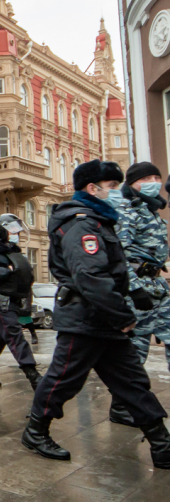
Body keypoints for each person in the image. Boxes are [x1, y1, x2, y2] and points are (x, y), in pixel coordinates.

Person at [22, 160, 169, 469]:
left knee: (132, 381)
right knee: (63, 380)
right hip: (84, 319)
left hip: (104, 318)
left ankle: (161, 442)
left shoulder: (99, 220)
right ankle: (36, 431)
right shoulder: (80, 223)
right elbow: (91, 277)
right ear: (93, 188)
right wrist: (124, 316)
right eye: (113, 187)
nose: (117, 193)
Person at [112, 162, 170, 424]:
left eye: (156, 177)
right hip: (139, 291)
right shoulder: (127, 211)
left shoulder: (152, 210)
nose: (153, 181)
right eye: (145, 178)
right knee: (136, 352)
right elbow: (118, 256)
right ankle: (121, 407)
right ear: (132, 183)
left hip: (159, 288)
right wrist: (134, 290)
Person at [0, 214, 41, 390]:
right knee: (14, 336)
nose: (15, 233)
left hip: (12, 300)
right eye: (12, 230)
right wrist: (9, 270)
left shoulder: (11, 249)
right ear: (1, 231)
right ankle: (33, 375)